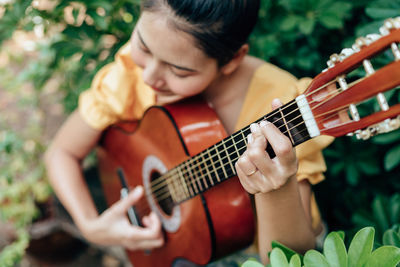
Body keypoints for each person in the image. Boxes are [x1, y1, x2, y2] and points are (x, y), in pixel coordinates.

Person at [44, 0, 333, 264]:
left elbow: (289, 259)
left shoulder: (277, 103)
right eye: (143, 47)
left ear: (232, 60)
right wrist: (91, 227)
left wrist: (277, 187)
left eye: (179, 72)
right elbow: (62, 153)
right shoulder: (131, 75)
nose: (149, 76)